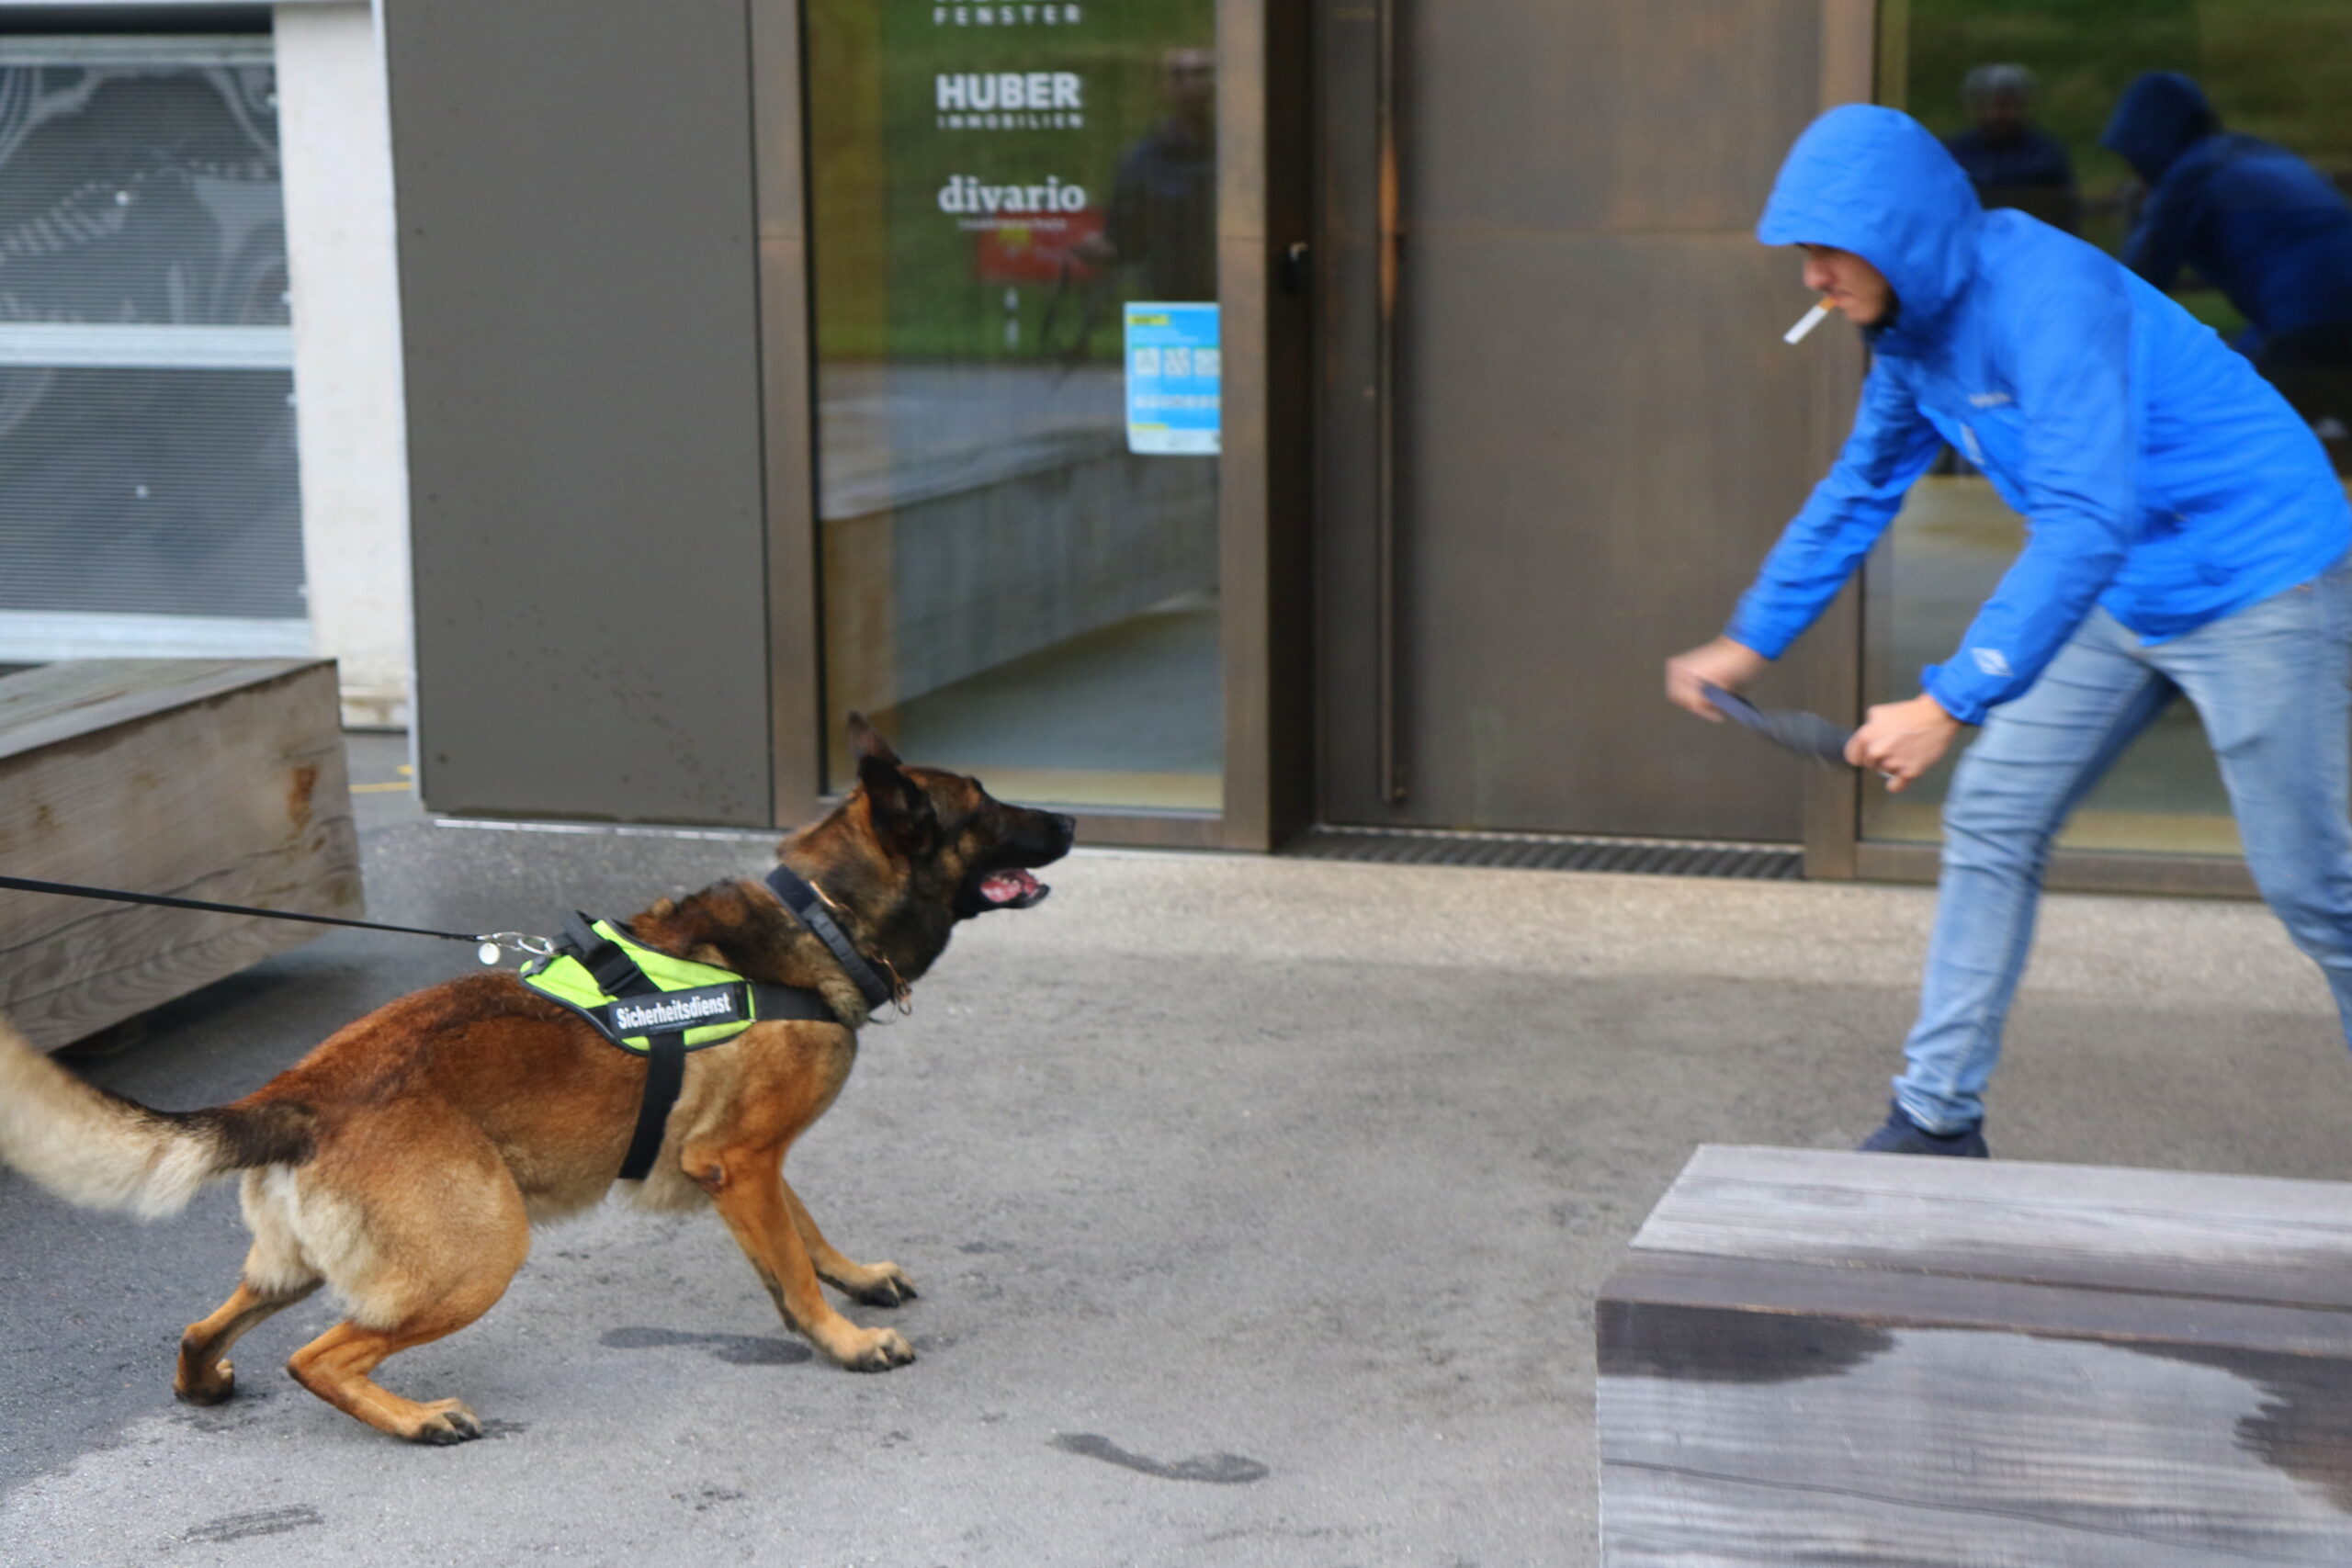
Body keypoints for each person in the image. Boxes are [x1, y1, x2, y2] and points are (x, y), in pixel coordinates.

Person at [1665, 105, 2352, 1156]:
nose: (1810, 278)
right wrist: (1747, 641)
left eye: (1823, 251)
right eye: (1801, 256)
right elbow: (1857, 492)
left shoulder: (2046, 293)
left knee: (2317, 892)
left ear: (1896, 231)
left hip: (2259, 578)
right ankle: (1936, 1121)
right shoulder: (1911, 340)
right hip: (2122, 588)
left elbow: (2085, 520)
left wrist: (1949, 699)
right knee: (1992, 822)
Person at [2104, 72, 2352, 471]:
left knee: (2223, 444)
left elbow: (2137, 284)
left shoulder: (2192, 173)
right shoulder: (2258, 153)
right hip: (2315, 324)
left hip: (2303, 330)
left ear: (2150, 142)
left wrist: (2140, 215)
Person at [1943, 64, 2077, 233]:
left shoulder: (2045, 154)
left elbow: (2065, 212)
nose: (1995, 114)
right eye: (1985, 105)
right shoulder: (1956, 152)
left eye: (2005, 106)